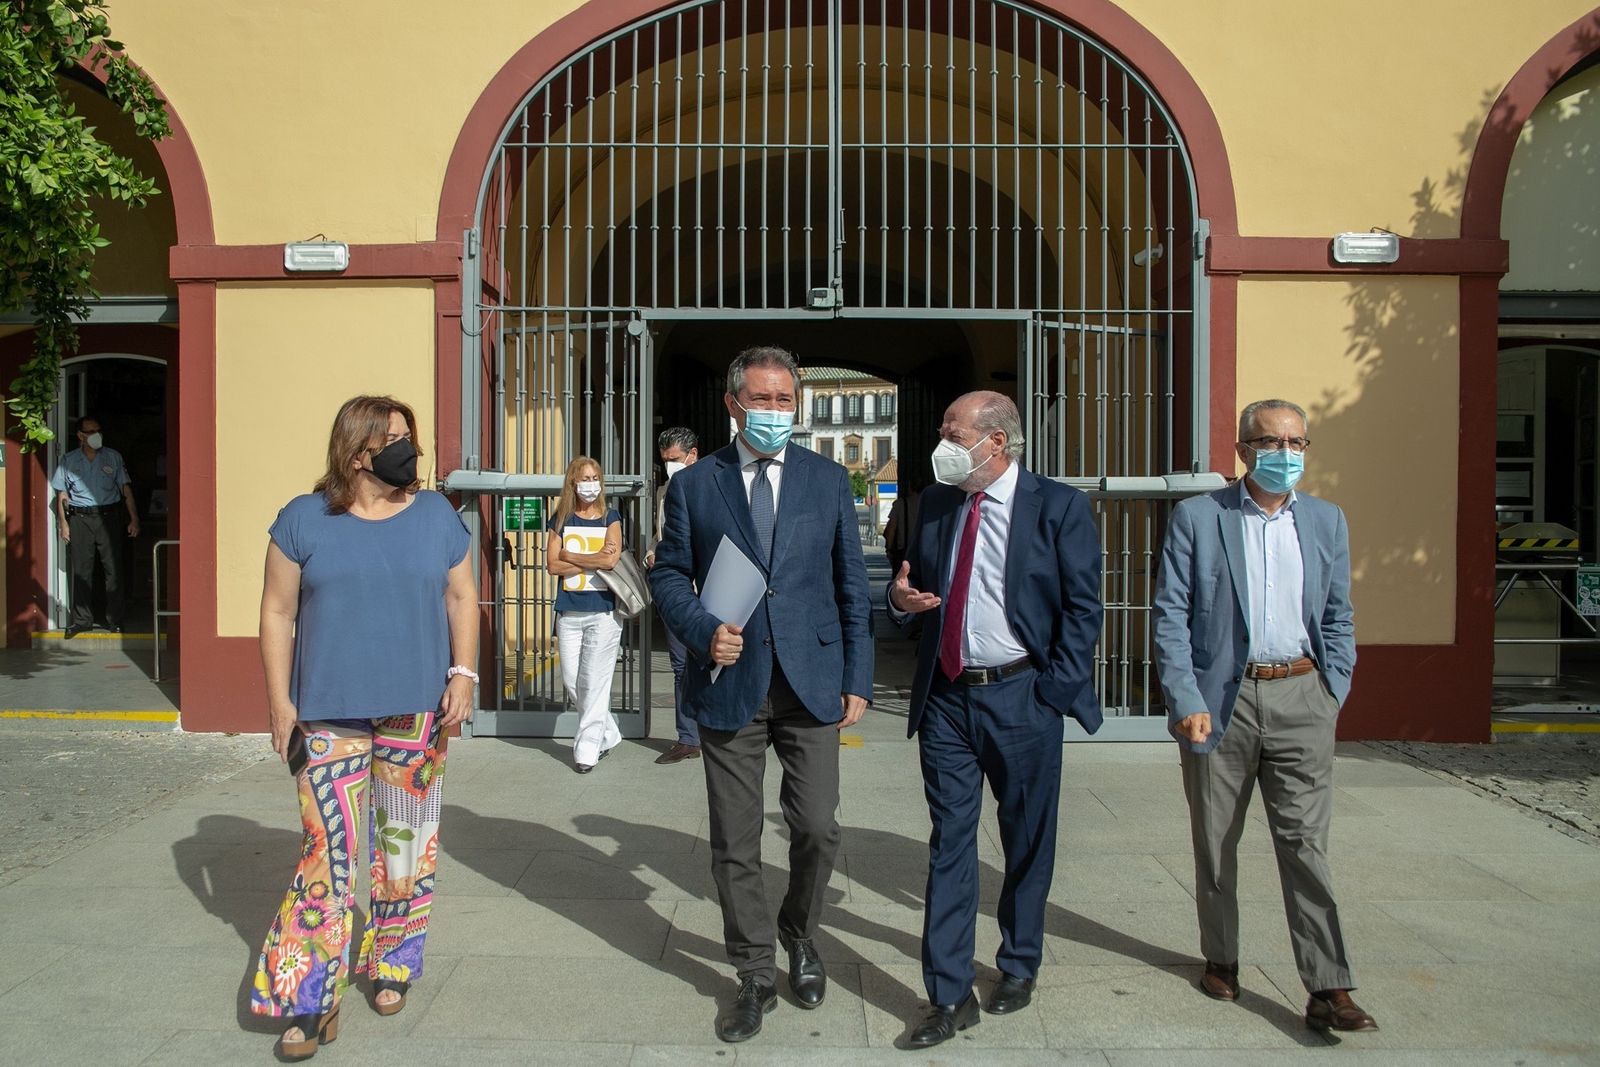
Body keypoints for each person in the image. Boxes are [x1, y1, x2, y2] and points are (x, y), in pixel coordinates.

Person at [650, 345, 872, 1043]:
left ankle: (799, 931)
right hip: (730, 684)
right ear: (733, 403)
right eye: (763, 399)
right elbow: (668, 578)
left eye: (785, 399)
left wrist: (857, 676)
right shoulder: (695, 485)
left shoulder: (829, 480)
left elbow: (849, 587)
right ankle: (751, 969)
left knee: (816, 825)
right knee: (735, 840)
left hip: (811, 683)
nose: (776, 411)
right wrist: (703, 627)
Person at [253, 395, 478, 1060]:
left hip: (416, 706)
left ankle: (391, 960)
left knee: (404, 844)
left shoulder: (436, 514)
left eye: (410, 437)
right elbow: (274, 611)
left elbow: (462, 594)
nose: (411, 451)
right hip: (328, 707)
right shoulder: (302, 519)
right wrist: (277, 704)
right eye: (396, 440)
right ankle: (308, 998)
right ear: (358, 452)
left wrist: (462, 672)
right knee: (325, 852)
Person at [887, 390, 1103, 1048]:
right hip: (947, 696)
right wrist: (900, 600)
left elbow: (1083, 609)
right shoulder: (937, 503)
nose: (943, 440)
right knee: (950, 841)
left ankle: (1019, 961)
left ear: (995, 443)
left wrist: (1053, 692)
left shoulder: (1058, 506)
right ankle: (948, 993)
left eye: (954, 431)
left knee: (1026, 837)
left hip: (1022, 697)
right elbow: (911, 588)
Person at [1152, 399, 1376, 1033]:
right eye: (1274, 442)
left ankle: (1329, 985)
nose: (1287, 454)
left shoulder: (1328, 520)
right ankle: (1221, 957)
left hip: (1303, 695)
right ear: (1244, 449)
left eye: (1298, 443)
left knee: (1306, 844)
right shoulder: (1200, 517)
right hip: (1221, 702)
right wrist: (1185, 697)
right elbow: (1170, 613)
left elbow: (1337, 613)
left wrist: (1334, 687)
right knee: (1217, 840)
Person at [546, 456, 625, 773]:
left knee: (593, 680)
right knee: (572, 681)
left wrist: (571, 554)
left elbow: (610, 561)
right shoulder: (561, 519)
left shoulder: (612, 517)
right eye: (584, 478)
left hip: (604, 612)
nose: (590, 484)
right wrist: (592, 557)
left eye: (595, 478)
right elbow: (553, 565)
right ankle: (608, 731)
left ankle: (587, 747)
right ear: (573, 483)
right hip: (569, 610)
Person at [51, 415, 139, 637]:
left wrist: (134, 518)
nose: (96, 436)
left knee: (113, 570)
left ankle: (115, 620)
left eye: (98, 430)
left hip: (108, 517)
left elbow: (125, 490)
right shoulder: (69, 460)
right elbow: (62, 494)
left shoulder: (113, 457)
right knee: (82, 570)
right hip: (80, 518)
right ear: (80, 436)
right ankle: (82, 620)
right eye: (90, 432)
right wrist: (63, 523)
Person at [648, 426, 703, 765]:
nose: (669, 466)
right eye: (665, 461)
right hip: (675, 590)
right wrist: (651, 555)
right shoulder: (663, 492)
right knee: (681, 665)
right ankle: (688, 738)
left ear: (692, 455)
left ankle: (722, 731)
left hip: (709, 589)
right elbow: (659, 535)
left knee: (715, 662)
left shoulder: (715, 487)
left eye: (675, 460)